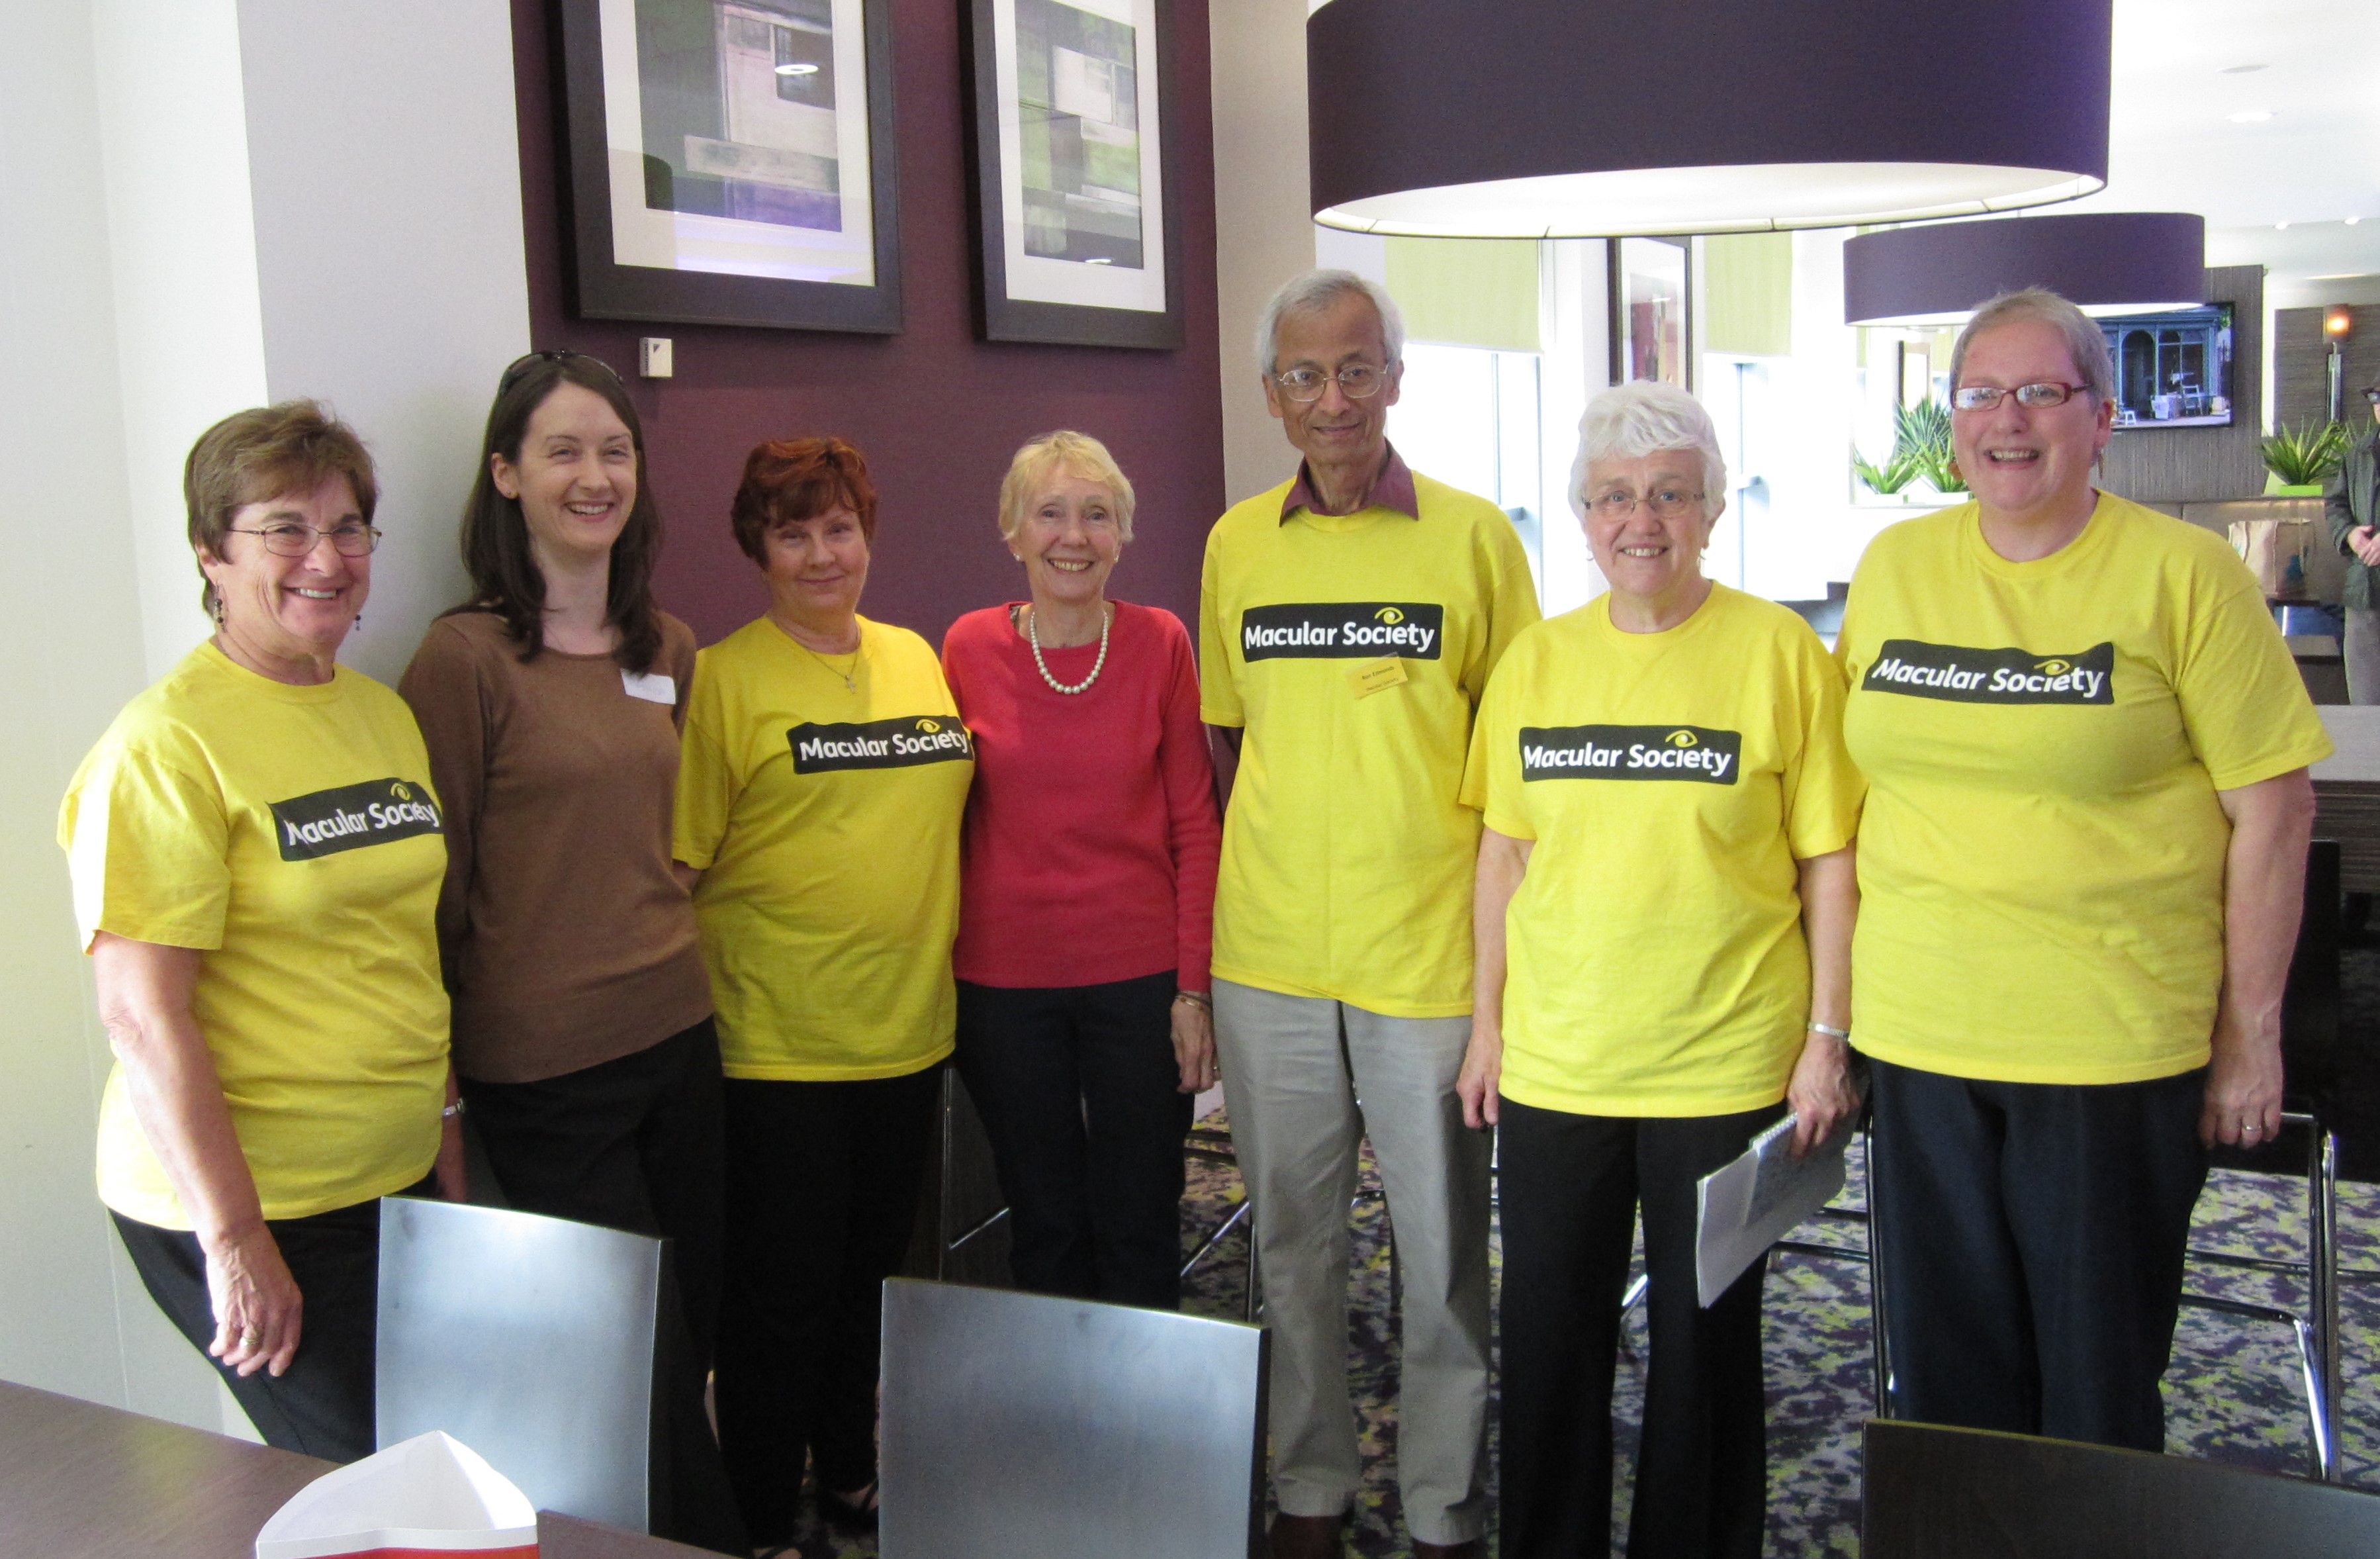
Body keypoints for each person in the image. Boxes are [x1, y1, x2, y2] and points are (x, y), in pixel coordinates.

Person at [1837, 287, 2331, 1450]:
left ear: (2101, 417)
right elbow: (1851, 792)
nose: (2007, 419)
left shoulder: (2184, 574)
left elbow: (2276, 813)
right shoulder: (1895, 564)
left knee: (2093, 1387)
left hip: (2107, 1043)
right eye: (1980, 393)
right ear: (1952, 421)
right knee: (1945, 1386)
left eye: (2041, 392)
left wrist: (2250, 1033)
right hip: (1920, 1033)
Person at [1457, 381, 1862, 1559]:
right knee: (1549, 1343)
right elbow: (1504, 856)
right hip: (1560, 1063)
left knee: (1706, 1350)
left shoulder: (1780, 653)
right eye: (1614, 497)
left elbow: (1829, 863)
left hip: (1726, 1063)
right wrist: (1486, 1027)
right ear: (1582, 516)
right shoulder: (1535, 663)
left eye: (1672, 494)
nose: (1642, 520)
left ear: (1713, 511)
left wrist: (1826, 1039)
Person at [1199, 269, 1539, 1559]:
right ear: (1270, 395)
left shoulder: (1473, 538)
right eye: (1304, 374)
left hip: (1428, 958)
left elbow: (1516, 760)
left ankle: (1444, 1500)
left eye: (1354, 369)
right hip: (1270, 953)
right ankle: (1310, 1486)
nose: (1331, 397)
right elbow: (1234, 739)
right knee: (1291, 1244)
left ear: (1394, 379)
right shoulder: (1236, 544)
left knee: (1440, 1250)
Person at [60, 401, 457, 1462]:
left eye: (348, 527)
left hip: (392, 1172)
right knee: (384, 1484)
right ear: (211, 552)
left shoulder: (380, 714)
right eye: (284, 528)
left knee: (448, 1465)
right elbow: (141, 1018)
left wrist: (445, 1132)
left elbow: (398, 947)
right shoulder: (164, 744)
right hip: (256, 1200)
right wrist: (234, 1238)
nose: (326, 558)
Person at [397, 351, 743, 1554]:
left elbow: (679, 837)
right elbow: (431, 888)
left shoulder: (670, 646)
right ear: (506, 474)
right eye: (562, 451)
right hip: (545, 1068)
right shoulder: (463, 660)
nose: (594, 476)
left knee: (691, 1322)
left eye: (614, 450)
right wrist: (443, 1085)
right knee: (627, 1363)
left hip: (679, 1038)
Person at [673, 437, 972, 1556]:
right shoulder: (725, 679)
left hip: (908, 1032)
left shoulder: (915, 657)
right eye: (790, 533)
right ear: (757, 550)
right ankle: (758, 1514)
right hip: (778, 1047)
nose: (819, 554)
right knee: (781, 1296)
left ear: (867, 533)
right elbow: (680, 866)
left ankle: (848, 1470)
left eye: (837, 527)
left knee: (869, 1278)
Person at [940, 431, 1220, 1310]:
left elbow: (1195, 823)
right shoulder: (965, 647)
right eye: (1050, 513)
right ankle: (1058, 1389)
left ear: (1122, 534)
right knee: (1045, 1222)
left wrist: (1194, 991)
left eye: (1097, 515)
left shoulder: (1160, 642)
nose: (1073, 536)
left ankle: (1144, 1390)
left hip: (1140, 981)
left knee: (1141, 1216)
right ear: (1012, 532)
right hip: (1002, 985)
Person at [2327, 373, 2380, 702]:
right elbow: (2336, 504)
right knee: (2366, 700)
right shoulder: (2358, 453)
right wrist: (2349, 535)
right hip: (2365, 587)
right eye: (2376, 399)